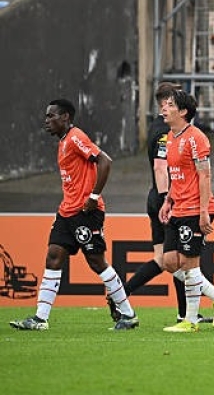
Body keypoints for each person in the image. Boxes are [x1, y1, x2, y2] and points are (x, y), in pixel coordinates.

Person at [10, 99, 138, 331]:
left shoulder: (76, 136)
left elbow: (105, 161)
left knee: (97, 262)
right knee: (53, 256)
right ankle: (40, 318)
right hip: (67, 212)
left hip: (85, 212)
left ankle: (128, 314)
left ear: (65, 117)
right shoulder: (63, 142)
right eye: (46, 117)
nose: (46, 121)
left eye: (51, 116)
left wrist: (93, 197)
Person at [106, 82, 212, 325]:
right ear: (167, 102)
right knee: (179, 258)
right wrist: (169, 200)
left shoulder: (160, 127)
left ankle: (122, 295)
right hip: (168, 197)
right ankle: (192, 309)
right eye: (172, 100)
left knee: (164, 260)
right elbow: (161, 167)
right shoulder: (168, 133)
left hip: (157, 196)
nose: (170, 106)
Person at [158, 90, 214, 333]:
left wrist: (203, 212)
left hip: (195, 208)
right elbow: (176, 175)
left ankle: (190, 321)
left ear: (183, 111)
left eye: (170, 105)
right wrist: (167, 200)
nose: (164, 108)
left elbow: (205, 174)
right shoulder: (169, 137)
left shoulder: (196, 138)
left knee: (190, 265)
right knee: (170, 261)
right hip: (178, 207)